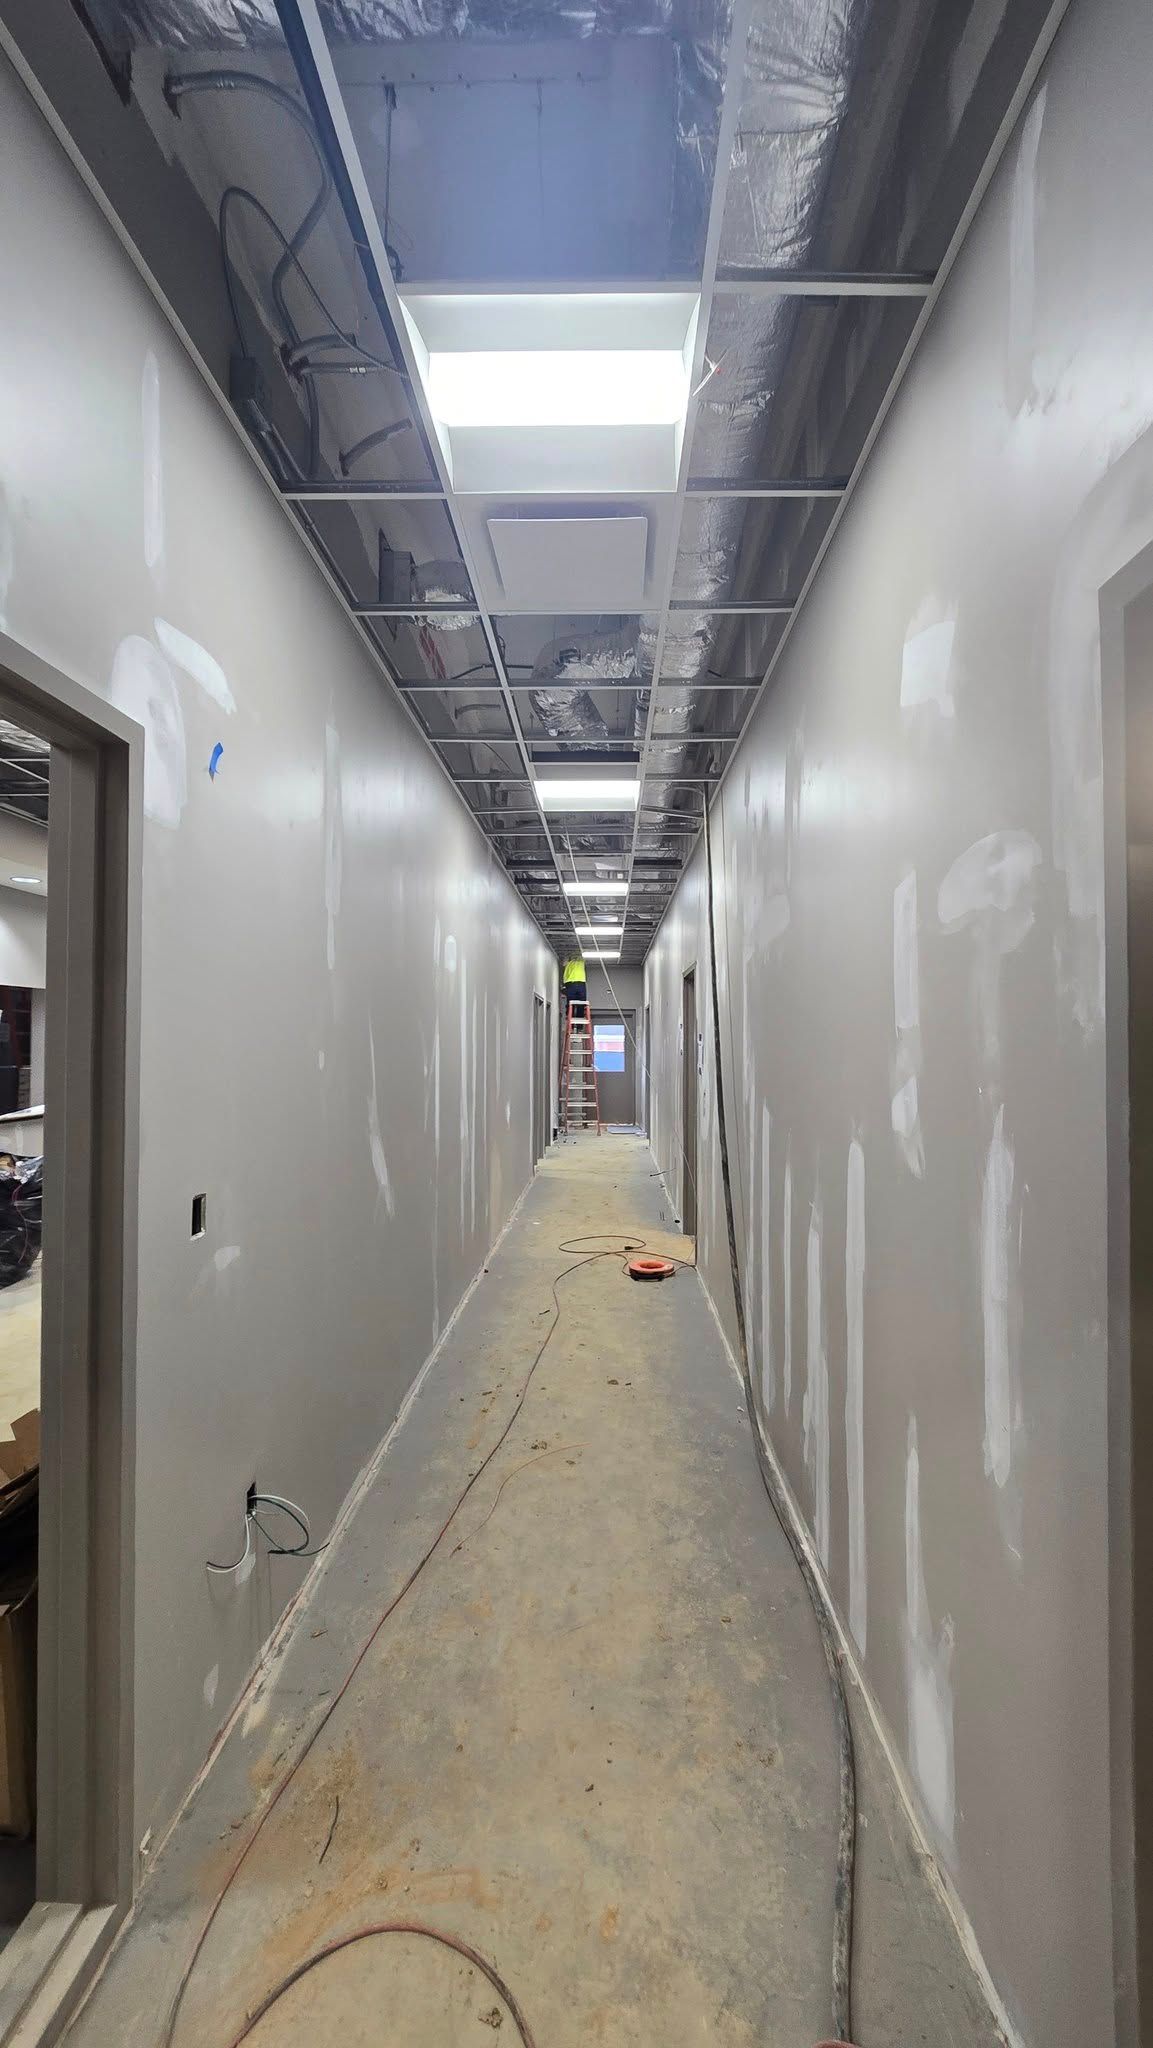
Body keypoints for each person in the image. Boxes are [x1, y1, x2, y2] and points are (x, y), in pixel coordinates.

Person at [562, 954, 587, 1026]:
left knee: (580, 1004)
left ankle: (578, 1026)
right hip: (572, 983)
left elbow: (583, 955)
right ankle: (572, 1025)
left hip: (578, 983)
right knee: (572, 1004)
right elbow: (564, 963)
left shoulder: (581, 960)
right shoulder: (568, 962)